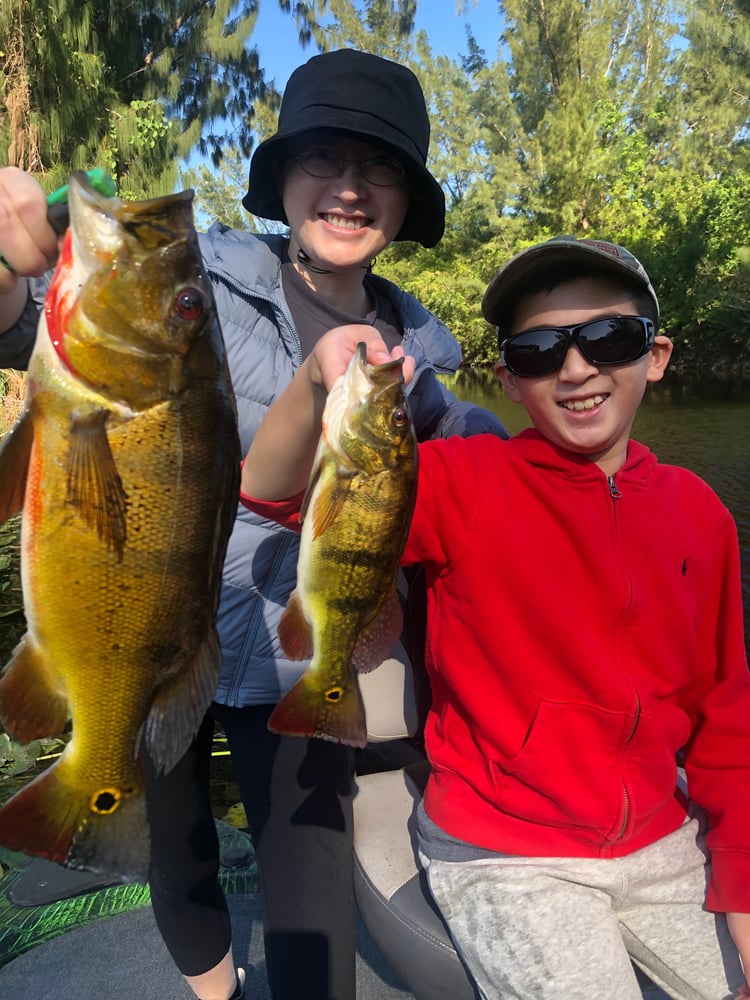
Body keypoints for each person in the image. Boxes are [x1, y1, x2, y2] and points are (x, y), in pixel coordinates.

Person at [0, 49, 507, 1000]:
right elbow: (30, 333)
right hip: (153, 632)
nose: (351, 188)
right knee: (176, 846)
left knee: (312, 880)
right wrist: (9, 272)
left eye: (382, 167)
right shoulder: (200, 288)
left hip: (297, 653)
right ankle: (217, 990)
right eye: (322, 156)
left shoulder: (421, 366)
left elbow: (492, 466)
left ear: (404, 203)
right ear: (282, 180)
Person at [239, 235, 750, 1000]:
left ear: (658, 355)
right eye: (540, 351)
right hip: (502, 850)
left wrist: (741, 887)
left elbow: (725, 716)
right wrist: (318, 385)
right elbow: (271, 496)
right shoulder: (459, 480)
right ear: (508, 376)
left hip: (663, 839)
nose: (575, 369)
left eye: (609, 339)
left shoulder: (700, 514)